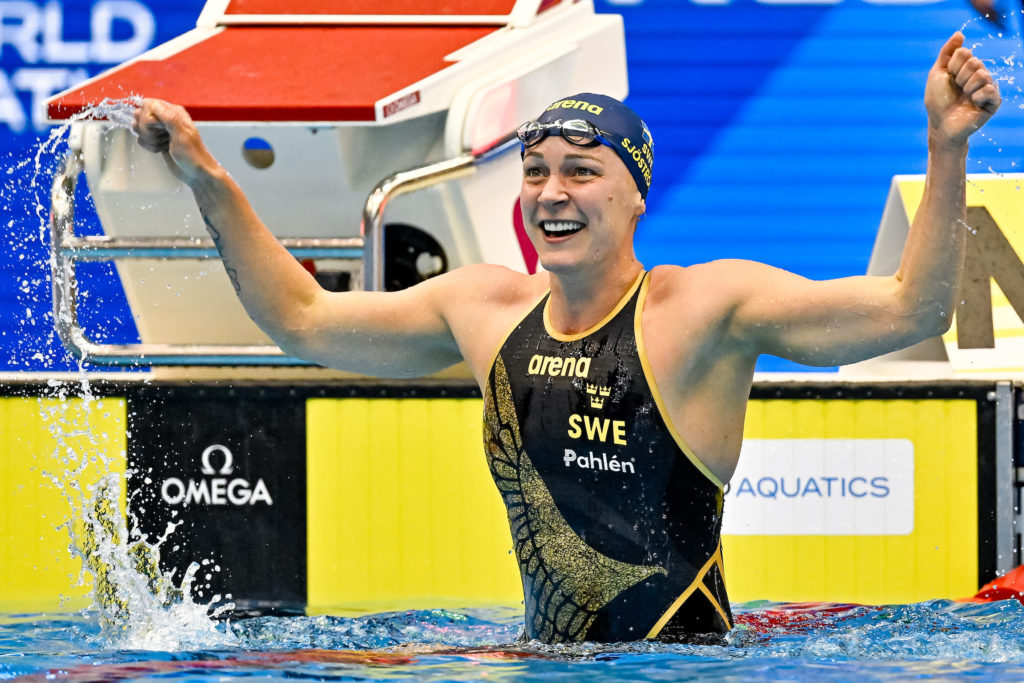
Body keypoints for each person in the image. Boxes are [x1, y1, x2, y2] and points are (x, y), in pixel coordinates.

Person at [132, 32, 1000, 643]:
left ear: (634, 197)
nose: (552, 192)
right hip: (540, 663)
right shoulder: (482, 310)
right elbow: (302, 319)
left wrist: (945, 145)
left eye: (583, 172)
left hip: (678, 670)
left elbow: (908, 311)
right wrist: (208, 176)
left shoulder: (703, 309)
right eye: (536, 171)